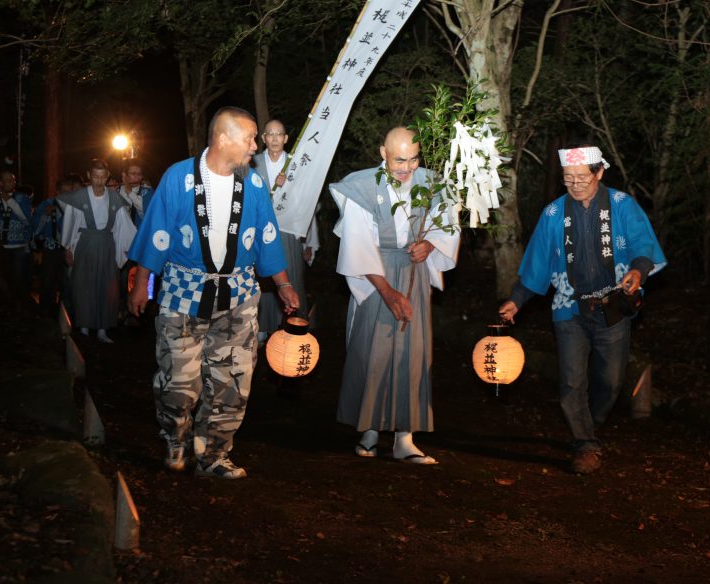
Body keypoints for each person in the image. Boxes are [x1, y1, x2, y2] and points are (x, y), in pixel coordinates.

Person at [127, 106, 299, 480]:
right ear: (223, 139)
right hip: (182, 293)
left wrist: (283, 284)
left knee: (233, 380)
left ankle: (214, 454)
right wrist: (142, 282)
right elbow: (157, 233)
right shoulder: (178, 178)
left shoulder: (252, 185)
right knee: (178, 382)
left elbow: (267, 237)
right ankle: (176, 438)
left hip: (238, 294)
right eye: (250, 138)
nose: (255, 146)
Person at [498, 141, 667, 474]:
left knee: (611, 382)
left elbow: (642, 245)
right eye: (567, 178)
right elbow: (537, 263)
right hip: (568, 307)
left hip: (613, 306)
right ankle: (585, 443)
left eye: (581, 177)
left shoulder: (621, 205)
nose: (574, 184)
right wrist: (516, 299)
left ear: (599, 172)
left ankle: (587, 425)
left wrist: (638, 270)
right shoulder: (552, 214)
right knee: (572, 381)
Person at [329, 126, 460, 465]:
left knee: (412, 353)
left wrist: (430, 244)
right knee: (372, 350)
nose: (407, 168)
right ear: (382, 153)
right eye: (399, 159)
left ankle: (406, 435)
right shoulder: (360, 186)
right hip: (375, 276)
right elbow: (357, 245)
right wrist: (387, 293)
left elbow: (448, 226)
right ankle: (369, 430)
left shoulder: (432, 184)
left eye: (414, 159)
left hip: (414, 274)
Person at [253, 119, 320, 341]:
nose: (274, 138)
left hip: (288, 230)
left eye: (278, 134)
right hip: (260, 231)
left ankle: (294, 326)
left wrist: (288, 187)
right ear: (263, 139)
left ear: (286, 139)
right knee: (263, 278)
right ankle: (263, 326)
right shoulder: (253, 163)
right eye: (269, 134)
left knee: (291, 277)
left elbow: (311, 201)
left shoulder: (296, 164)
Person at [59, 159, 137, 343]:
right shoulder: (78, 198)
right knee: (84, 284)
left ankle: (103, 328)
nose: (99, 181)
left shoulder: (115, 199)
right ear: (89, 176)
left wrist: (134, 245)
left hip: (106, 244)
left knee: (107, 286)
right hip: (85, 243)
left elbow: (123, 226)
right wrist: (68, 247)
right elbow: (71, 222)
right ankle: (84, 326)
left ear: (107, 177)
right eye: (95, 176)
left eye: (102, 177)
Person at [116, 157, 155, 323]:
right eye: (132, 174)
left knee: (142, 278)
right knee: (121, 278)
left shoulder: (147, 192)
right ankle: (122, 310)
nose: (136, 177)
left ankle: (144, 310)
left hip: (142, 243)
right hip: (121, 243)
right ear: (124, 175)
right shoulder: (116, 191)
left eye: (139, 174)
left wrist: (129, 192)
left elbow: (144, 212)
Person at [31, 176, 75, 317]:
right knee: (48, 281)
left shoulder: (75, 207)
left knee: (66, 283)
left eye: (70, 191)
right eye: (63, 191)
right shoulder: (46, 205)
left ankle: (65, 313)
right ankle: (45, 312)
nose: (66, 194)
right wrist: (45, 216)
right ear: (57, 191)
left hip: (69, 250)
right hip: (51, 249)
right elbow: (36, 230)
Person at [0, 170, 33, 307]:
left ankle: (18, 304)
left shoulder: (22, 197)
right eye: (5, 181)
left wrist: (8, 199)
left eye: (11, 180)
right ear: (0, 183)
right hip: (0, 246)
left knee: (18, 278)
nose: (9, 183)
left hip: (18, 246)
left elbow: (26, 218)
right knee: (3, 277)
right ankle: (5, 303)